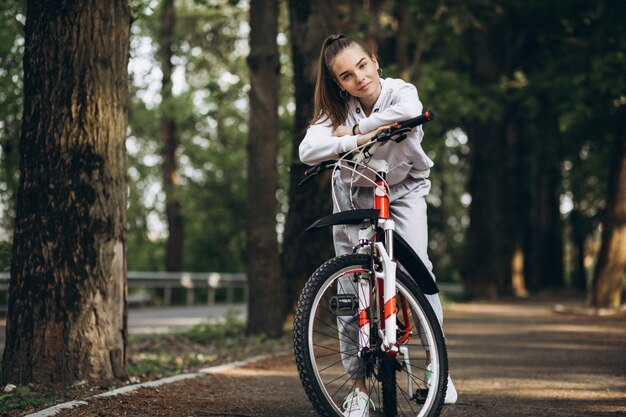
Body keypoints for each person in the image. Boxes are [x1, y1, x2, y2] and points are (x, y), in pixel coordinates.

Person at [299, 34, 458, 416]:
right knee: (352, 287)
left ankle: (439, 369)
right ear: (338, 83)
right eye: (346, 76)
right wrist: (352, 136)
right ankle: (358, 390)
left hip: (403, 191)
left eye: (362, 66)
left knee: (419, 273)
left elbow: (409, 109)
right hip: (355, 196)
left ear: (374, 60)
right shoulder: (335, 113)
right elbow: (308, 150)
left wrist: (361, 131)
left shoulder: (399, 90)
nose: (359, 79)